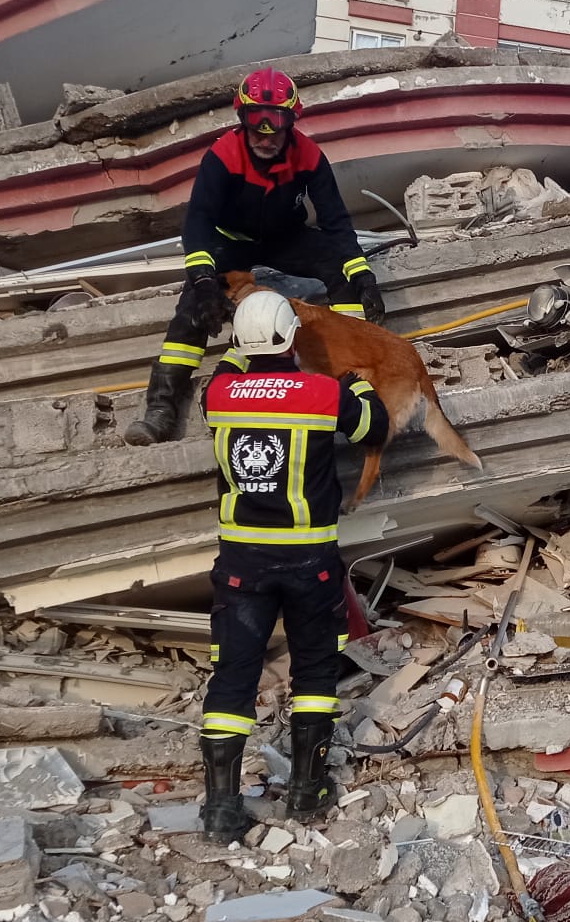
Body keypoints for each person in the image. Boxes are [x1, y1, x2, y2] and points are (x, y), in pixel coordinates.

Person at [197, 290, 390, 840]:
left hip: (241, 565)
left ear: (240, 343)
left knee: (233, 675)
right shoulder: (322, 392)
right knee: (314, 669)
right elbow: (372, 428)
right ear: (289, 338)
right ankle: (307, 791)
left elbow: (227, 369)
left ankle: (221, 810)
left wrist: (237, 353)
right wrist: (354, 383)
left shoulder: (221, 395)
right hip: (309, 560)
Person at [124, 68, 386, 445]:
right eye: (256, 124)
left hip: (288, 237)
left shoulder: (309, 155)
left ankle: (356, 372)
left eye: (276, 125)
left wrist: (364, 276)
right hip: (231, 242)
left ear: (291, 122)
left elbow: (336, 221)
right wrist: (201, 280)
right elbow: (198, 220)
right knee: (191, 310)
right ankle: (162, 408)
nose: (265, 135)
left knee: (343, 275)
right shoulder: (222, 156)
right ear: (242, 119)